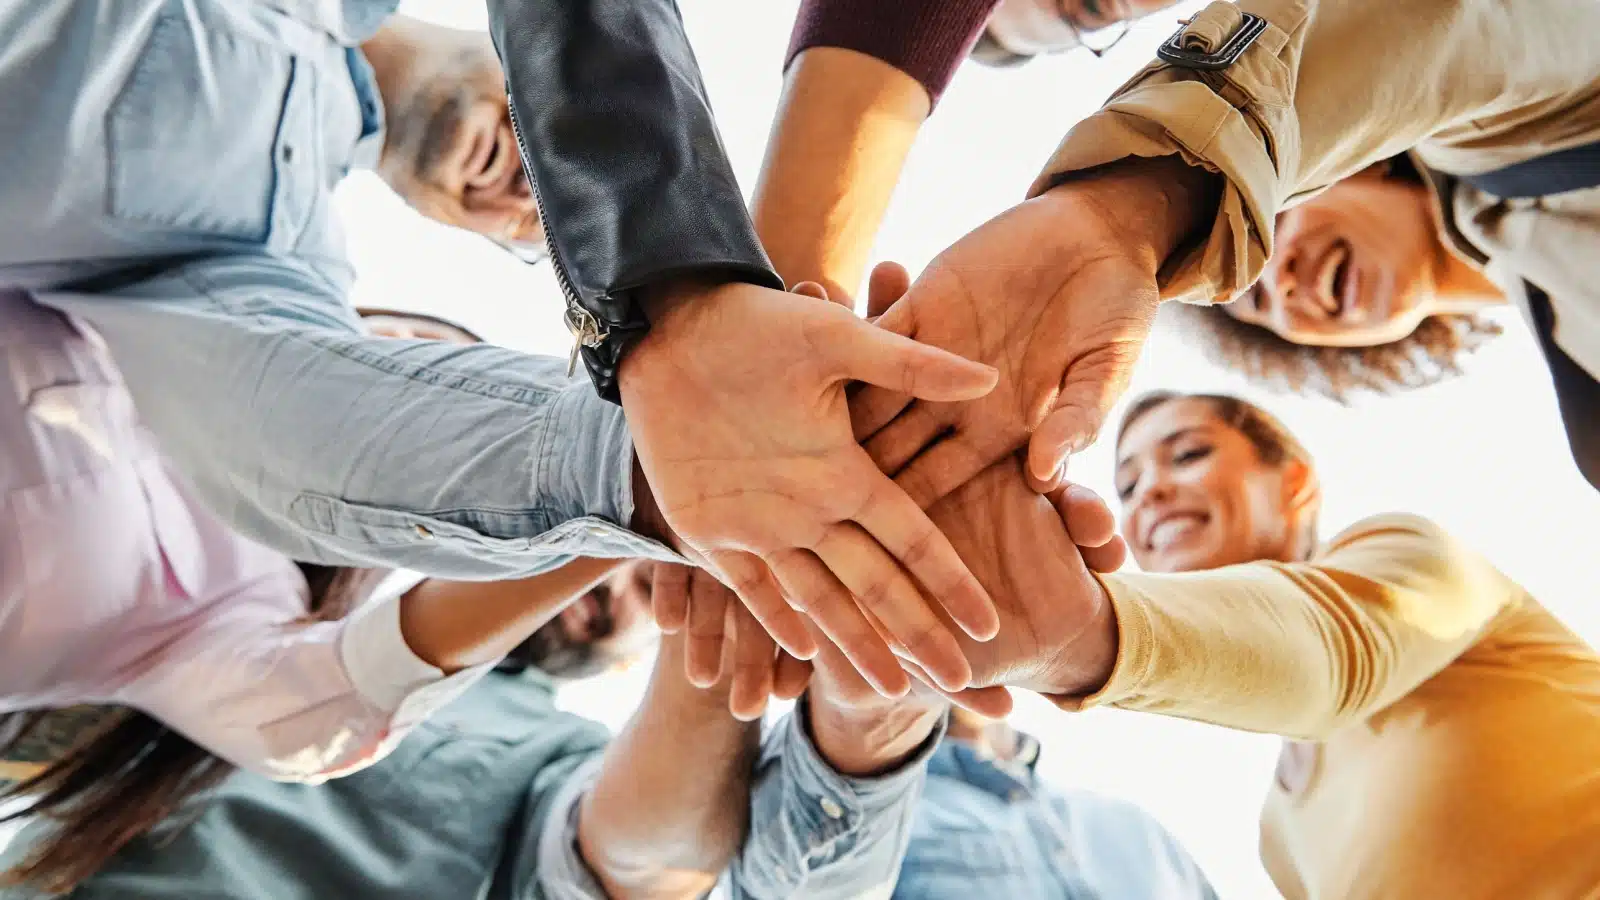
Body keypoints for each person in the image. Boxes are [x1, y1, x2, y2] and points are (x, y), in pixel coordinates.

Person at [1, 0, 1010, 696]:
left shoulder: (246, 252)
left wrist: (641, 461)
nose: (531, 196)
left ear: (441, 226)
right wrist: (662, 266)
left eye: (530, 234)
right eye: (567, 198)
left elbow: (272, 417)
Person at [0, 302, 667, 890]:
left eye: (432, 422)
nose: (394, 384)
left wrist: (626, 507)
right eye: (395, 349)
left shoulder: (230, 609)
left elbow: (321, 706)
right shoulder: (146, 308)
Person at [814, 0, 1600, 497]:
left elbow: (1438, 30)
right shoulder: (1586, 418)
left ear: (1347, 161)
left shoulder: (1519, 126)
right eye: (1255, 293)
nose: (1283, 281)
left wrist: (1140, 201)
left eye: (1272, 223)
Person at [856, 387, 1600, 898]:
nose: (1148, 492)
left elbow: (1321, 654)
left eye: (1186, 455)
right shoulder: (1280, 831)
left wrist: (1071, 628)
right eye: (1127, 483)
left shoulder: (1414, 555)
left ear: (1296, 483)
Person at [0, 564, 958, 900]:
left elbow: (627, 866)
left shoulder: (549, 748)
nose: (609, 594)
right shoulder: (305, 593)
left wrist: (709, 615)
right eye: (613, 567)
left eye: (639, 595)